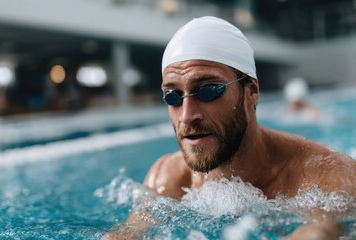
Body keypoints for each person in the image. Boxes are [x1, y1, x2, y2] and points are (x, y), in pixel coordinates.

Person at [106, 16, 356, 239]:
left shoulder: (327, 176)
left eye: (208, 90)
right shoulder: (167, 177)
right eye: (173, 96)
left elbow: (319, 232)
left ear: (251, 92)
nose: (186, 115)